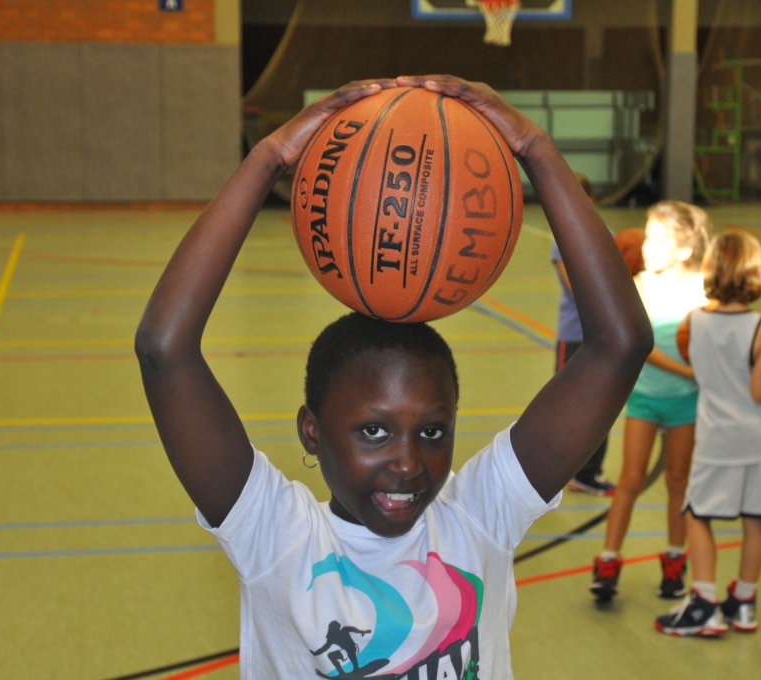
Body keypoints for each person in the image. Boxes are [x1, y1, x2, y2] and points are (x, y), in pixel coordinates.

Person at [135, 75, 652, 678]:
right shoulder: (276, 537)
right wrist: (270, 158)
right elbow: (164, 350)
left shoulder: (480, 516)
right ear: (311, 430)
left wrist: (535, 148)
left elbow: (620, 346)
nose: (409, 462)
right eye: (374, 432)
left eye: (432, 432)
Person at [655, 229, 761, 637]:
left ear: (711, 270)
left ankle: (706, 603)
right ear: (755, 274)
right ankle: (744, 602)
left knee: (697, 515)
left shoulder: (694, 322)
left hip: (719, 441)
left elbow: (707, 373)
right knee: (756, 519)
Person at [590, 200, 710, 602]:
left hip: (685, 405)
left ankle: (675, 562)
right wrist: (690, 372)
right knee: (630, 479)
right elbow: (642, 346)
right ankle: (608, 560)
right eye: (647, 235)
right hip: (644, 398)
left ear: (685, 251)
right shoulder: (637, 286)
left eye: (659, 239)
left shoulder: (703, 289)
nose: (646, 245)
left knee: (679, 482)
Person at [552, 172, 615, 496]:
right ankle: (562, 469)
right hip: (575, 335)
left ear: (590, 199)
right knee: (567, 405)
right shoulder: (564, 238)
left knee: (600, 404)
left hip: (604, 335)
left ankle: (588, 471)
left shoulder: (606, 232)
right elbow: (579, 287)